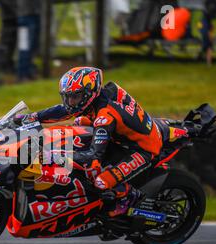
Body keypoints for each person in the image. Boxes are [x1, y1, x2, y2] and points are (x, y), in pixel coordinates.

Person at [17, 67, 168, 217]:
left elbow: (93, 156)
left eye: (75, 96)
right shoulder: (96, 98)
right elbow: (63, 111)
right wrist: (29, 118)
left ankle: (130, 198)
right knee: (79, 121)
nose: (70, 102)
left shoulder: (105, 115)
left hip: (142, 149)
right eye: (67, 96)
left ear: (89, 93)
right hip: (121, 137)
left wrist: (54, 155)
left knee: (101, 182)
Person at [16, 0, 40, 82]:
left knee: (32, 47)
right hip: (25, 16)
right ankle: (22, 74)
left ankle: (28, 72)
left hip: (33, 14)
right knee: (24, 48)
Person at [198, 0, 216, 66]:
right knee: (208, 44)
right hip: (205, 26)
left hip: (205, 24)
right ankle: (208, 61)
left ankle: (207, 59)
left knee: (208, 43)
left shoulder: (206, 17)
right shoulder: (206, 19)